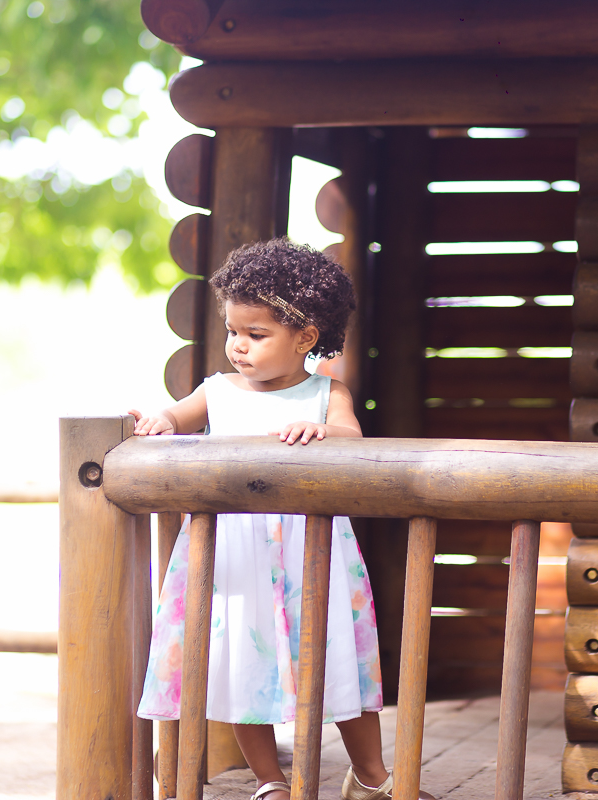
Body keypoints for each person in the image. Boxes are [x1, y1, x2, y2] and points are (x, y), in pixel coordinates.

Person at [129, 238, 434, 800]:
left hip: (310, 549)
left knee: (337, 657)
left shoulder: (326, 393)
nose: (238, 347)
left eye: (255, 334)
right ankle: (271, 782)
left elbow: (351, 436)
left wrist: (325, 431)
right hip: (234, 552)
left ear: (305, 338)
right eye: (232, 332)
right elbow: (176, 414)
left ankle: (371, 777)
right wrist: (158, 420)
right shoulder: (216, 391)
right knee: (247, 664)